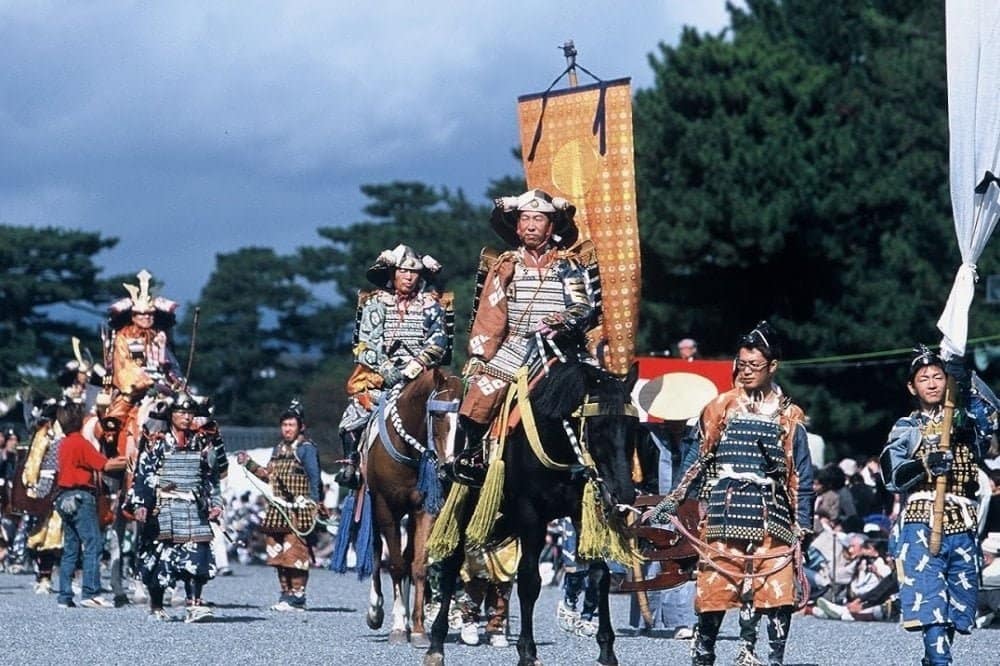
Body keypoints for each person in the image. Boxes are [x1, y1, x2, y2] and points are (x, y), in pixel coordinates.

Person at [645, 321, 814, 666]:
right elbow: (696, 457)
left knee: (777, 594)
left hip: (773, 514)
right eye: (742, 363)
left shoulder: (790, 416)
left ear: (773, 367)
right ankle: (703, 654)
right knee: (714, 591)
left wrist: (804, 523)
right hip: (725, 510)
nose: (746, 371)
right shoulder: (721, 406)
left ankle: (772, 659)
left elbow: (801, 474)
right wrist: (672, 501)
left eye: (755, 365)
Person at [450, 189, 597, 483]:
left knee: (603, 393)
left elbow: (583, 306)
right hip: (516, 344)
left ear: (551, 226)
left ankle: (602, 463)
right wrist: (480, 356)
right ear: (517, 226)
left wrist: (559, 319)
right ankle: (473, 455)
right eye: (525, 219)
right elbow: (490, 316)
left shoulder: (567, 265)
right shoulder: (506, 265)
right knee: (481, 390)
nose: (531, 225)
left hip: (562, 348)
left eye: (539, 219)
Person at [880, 345, 997, 666]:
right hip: (922, 523)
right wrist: (926, 464)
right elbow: (892, 474)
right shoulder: (907, 428)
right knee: (930, 602)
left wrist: (967, 379)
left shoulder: (967, 425)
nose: (932, 383)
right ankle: (941, 662)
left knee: (956, 609)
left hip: (963, 523)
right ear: (912, 387)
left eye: (938, 376)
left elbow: (994, 421)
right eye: (923, 379)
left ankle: (934, 659)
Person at [336, 244, 448, 489]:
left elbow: (439, 341)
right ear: (392, 274)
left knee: (448, 411)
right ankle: (351, 463)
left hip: (421, 375)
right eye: (403, 272)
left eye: (414, 272)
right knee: (353, 414)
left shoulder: (431, 305)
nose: (408, 277)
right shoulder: (376, 304)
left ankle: (450, 463)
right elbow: (365, 345)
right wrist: (387, 369)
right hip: (381, 376)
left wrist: (417, 365)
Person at [126, 389, 223, 622]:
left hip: (192, 506)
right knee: (158, 558)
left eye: (190, 413)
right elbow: (144, 473)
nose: (186, 417)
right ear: (172, 415)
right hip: (163, 507)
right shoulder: (156, 441)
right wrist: (141, 503)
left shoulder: (201, 441)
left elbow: (211, 475)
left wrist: (216, 502)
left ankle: (194, 605)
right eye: (181, 412)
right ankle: (157, 606)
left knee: (197, 554)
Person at [237, 400, 324, 611]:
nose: (287, 429)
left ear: (300, 426)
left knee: (295, 554)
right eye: (284, 425)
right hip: (277, 510)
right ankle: (285, 593)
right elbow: (269, 476)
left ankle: (298, 596)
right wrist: (249, 463)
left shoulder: (306, 449)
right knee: (277, 554)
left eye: (291, 425)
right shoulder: (277, 449)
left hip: (299, 510)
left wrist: (315, 501)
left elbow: (315, 477)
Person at [54, 401, 127, 608]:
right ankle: (91, 592)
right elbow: (105, 464)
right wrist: (130, 459)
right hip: (81, 496)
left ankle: (65, 595)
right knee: (93, 544)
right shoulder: (80, 442)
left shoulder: (64, 443)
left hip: (63, 497)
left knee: (70, 548)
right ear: (79, 420)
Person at [105, 269, 181, 461]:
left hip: (164, 388)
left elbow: (171, 363)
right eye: (141, 315)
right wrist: (143, 382)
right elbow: (124, 367)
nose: (146, 318)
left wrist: (175, 380)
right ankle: (112, 455)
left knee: (194, 411)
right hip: (135, 389)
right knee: (113, 419)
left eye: (150, 315)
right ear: (133, 316)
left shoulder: (160, 335)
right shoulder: (123, 337)